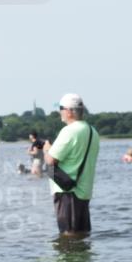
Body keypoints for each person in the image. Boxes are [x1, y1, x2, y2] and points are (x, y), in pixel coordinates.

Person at [43, 93, 100, 236]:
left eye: (61, 108)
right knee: (82, 236)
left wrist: (46, 149)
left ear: (69, 111)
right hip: (84, 192)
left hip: (68, 193)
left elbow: (50, 161)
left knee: (68, 237)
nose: (59, 112)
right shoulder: (93, 131)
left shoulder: (69, 131)